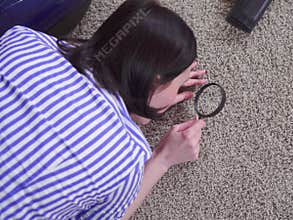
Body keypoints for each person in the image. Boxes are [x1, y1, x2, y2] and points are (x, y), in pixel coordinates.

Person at [0, 0, 207, 219]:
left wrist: (154, 88)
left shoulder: (23, 39)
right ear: (154, 81)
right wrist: (162, 159)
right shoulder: (129, 158)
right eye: (178, 83)